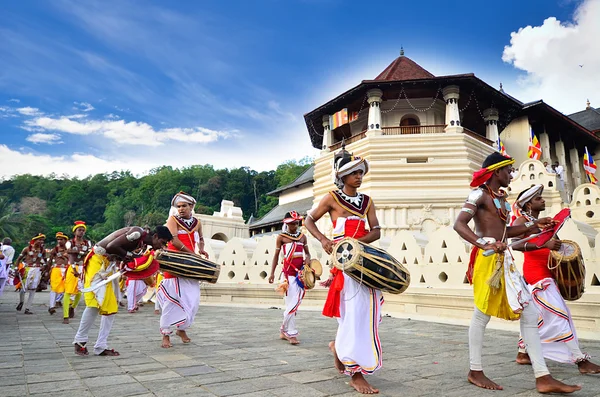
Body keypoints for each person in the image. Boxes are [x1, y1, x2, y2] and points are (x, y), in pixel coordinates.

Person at [454, 152, 580, 393]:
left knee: (530, 312)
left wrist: (534, 226)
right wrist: (483, 244)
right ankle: (475, 370)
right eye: (509, 170)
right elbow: (459, 224)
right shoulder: (478, 195)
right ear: (496, 172)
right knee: (481, 315)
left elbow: (505, 233)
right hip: (487, 260)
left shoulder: (500, 199)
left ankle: (543, 377)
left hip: (504, 260)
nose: (512, 174)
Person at [305, 147, 383, 395]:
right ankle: (355, 371)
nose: (359, 177)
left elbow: (376, 230)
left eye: (360, 172)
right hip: (342, 264)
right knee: (351, 312)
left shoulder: (367, 201)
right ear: (342, 177)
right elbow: (309, 220)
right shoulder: (331, 198)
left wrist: (360, 244)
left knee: (366, 312)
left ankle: (339, 348)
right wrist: (324, 240)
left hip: (364, 262)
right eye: (353, 173)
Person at [512, 184, 600, 374]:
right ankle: (580, 360)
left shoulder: (541, 221)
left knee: (536, 314)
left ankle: (523, 352)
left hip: (549, 271)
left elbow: (553, 245)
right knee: (559, 314)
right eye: (538, 199)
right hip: (537, 274)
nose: (543, 200)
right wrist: (543, 242)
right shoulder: (521, 221)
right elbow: (515, 245)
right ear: (528, 205)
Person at [73, 225, 172, 356]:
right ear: (155, 236)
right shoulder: (137, 233)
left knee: (111, 306)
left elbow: (121, 254)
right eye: (162, 242)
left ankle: (101, 345)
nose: (162, 246)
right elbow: (112, 246)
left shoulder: (142, 243)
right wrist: (130, 256)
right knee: (95, 303)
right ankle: (80, 340)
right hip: (97, 261)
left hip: (107, 265)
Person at [158, 192, 208, 348]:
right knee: (171, 301)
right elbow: (174, 240)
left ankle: (182, 329)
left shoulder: (197, 222)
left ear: (191, 206)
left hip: (190, 265)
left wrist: (201, 250)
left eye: (184, 206)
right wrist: (192, 254)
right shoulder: (172, 220)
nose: (181, 209)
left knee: (192, 300)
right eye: (178, 206)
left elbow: (200, 238)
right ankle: (166, 334)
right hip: (175, 263)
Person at [268, 211, 312, 345]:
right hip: (287, 275)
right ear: (286, 223)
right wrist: (272, 273)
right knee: (291, 304)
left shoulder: (302, 237)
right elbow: (276, 256)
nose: (295, 225)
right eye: (292, 223)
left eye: (297, 223)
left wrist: (308, 262)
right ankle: (290, 333)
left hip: (299, 275)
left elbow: (308, 254)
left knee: (295, 303)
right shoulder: (281, 237)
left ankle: (284, 330)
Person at [64, 221, 92, 324]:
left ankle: (73, 306)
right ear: (75, 231)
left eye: (83, 230)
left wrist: (79, 252)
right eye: (79, 230)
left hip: (82, 266)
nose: (81, 232)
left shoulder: (87, 243)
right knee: (68, 292)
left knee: (80, 291)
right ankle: (65, 316)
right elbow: (69, 252)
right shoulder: (70, 242)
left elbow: (89, 253)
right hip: (73, 267)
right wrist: (74, 268)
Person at [14, 233, 47, 314]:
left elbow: (45, 261)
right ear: (34, 240)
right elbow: (18, 259)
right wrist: (16, 269)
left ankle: (27, 308)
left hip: (37, 270)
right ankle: (21, 302)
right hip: (28, 270)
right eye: (39, 239)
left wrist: (44, 267)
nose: (41, 241)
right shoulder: (27, 249)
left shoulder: (42, 250)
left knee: (33, 289)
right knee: (23, 289)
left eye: (42, 240)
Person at [48, 232, 69, 315]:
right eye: (58, 239)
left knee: (66, 288)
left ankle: (60, 301)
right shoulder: (55, 249)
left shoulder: (70, 248)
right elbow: (50, 259)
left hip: (67, 269)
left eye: (61, 239)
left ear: (65, 240)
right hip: (56, 269)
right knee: (54, 288)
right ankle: (51, 306)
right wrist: (46, 270)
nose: (59, 241)